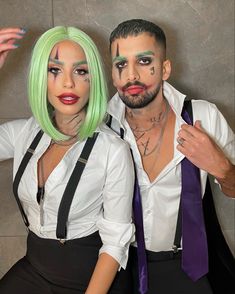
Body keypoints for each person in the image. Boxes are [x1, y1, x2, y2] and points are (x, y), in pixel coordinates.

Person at [0, 26, 135, 294]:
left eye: (81, 71)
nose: (68, 83)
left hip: (92, 277)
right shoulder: (24, 132)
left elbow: (115, 243)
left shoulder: (113, 150)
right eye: (55, 70)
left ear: (93, 79)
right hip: (36, 267)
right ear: (41, 76)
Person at [108, 19, 235, 294]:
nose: (131, 76)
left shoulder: (204, 117)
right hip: (119, 269)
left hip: (192, 268)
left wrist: (223, 169)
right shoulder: (98, 129)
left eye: (143, 61)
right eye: (121, 64)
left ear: (165, 68)